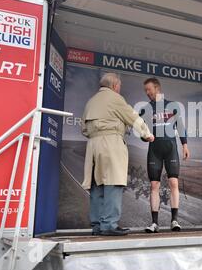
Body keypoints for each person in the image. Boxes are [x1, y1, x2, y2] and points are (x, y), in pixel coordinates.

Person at [81, 73, 154, 236]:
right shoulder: (115, 98)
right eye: (119, 86)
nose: (119, 89)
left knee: (97, 185)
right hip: (111, 143)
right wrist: (146, 134)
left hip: (93, 145)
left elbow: (84, 129)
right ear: (114, 85)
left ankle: (97, 225)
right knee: (113, 182)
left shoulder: (90, 101)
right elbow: (133, 118)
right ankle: (109, 224)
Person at [140, 77, 190, 233]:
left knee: (173, 183)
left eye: (149, 89)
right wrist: (145, 136)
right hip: (154, 149)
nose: (147, 93)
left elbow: (180, 127)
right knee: (154, 185)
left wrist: (185, 145)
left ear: (157, 88)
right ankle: (154, 223)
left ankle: (174, 220)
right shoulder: (145, 109)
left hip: (171, 149)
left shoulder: (172, 106)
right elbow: (141, 131)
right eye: (145, 90)